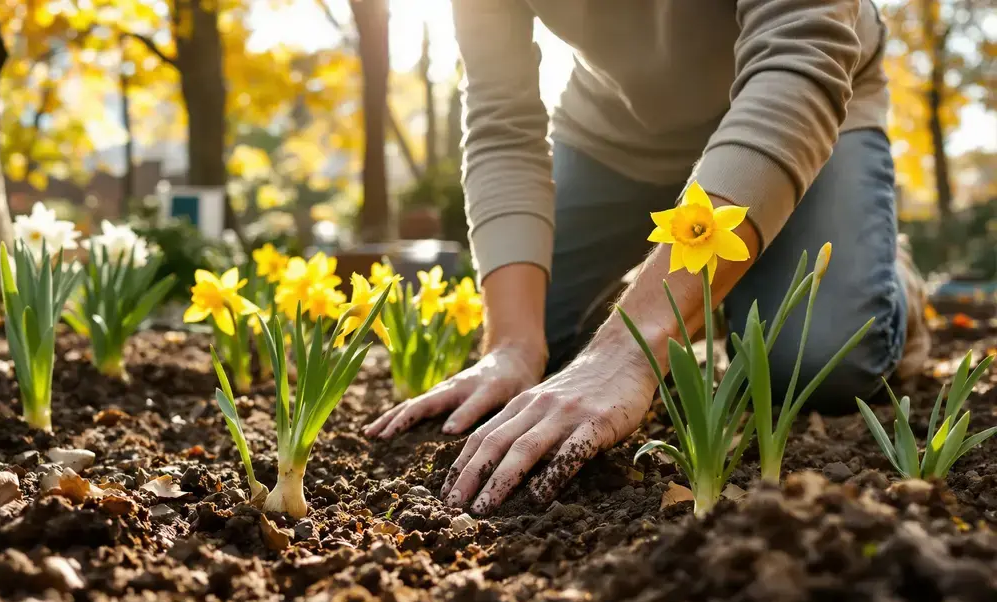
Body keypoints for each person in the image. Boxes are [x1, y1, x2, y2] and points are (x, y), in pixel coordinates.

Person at [365, 0, 932, 515]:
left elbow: (799, 56)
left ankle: (879, 273)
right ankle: (708, 286)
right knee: (545, 345)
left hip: (808, 107)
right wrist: (512, 344)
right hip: (614, 136)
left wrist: (628, 348)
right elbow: (500, 123)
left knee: (817, 361)